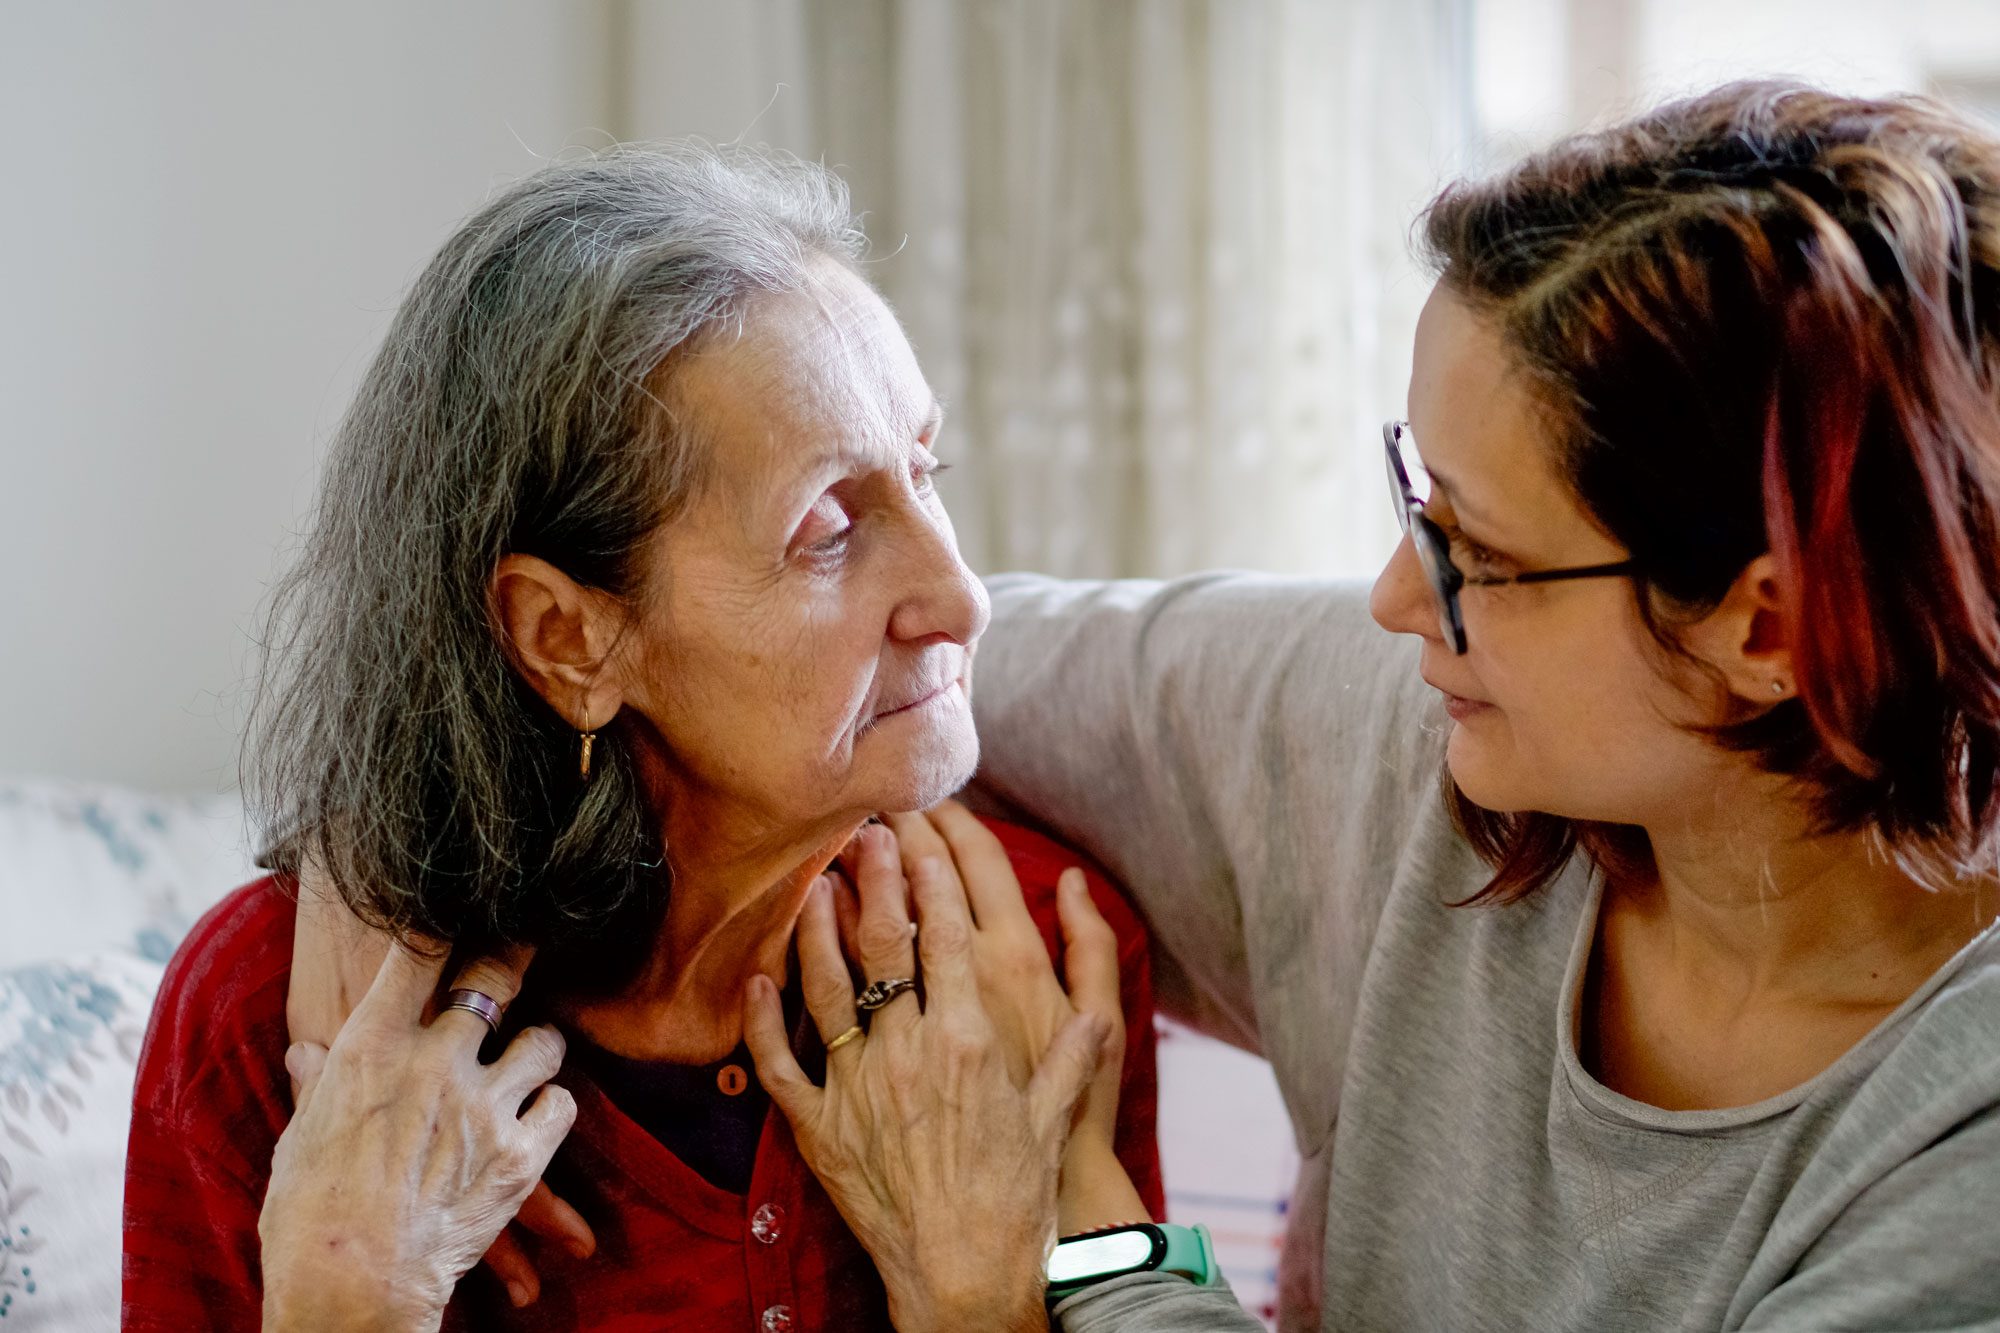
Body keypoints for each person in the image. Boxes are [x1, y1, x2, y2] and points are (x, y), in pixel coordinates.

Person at [746, 81, 2000, 1329]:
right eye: (1415, 499)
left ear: (1764, 628)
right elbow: (906, 664)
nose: (1396, 597)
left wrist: (1069, 1228)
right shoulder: (1423, 730)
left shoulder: (1958, 1162)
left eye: (1479, 554)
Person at [119, 144, 1164, 1332]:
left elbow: (1131, 1283)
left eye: (927, 472)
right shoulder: (271, 1028)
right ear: (568, 638)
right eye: (828, 529)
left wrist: (990, 1292)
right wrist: (351, 1297)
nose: (962, 598)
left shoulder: (1036, 962)